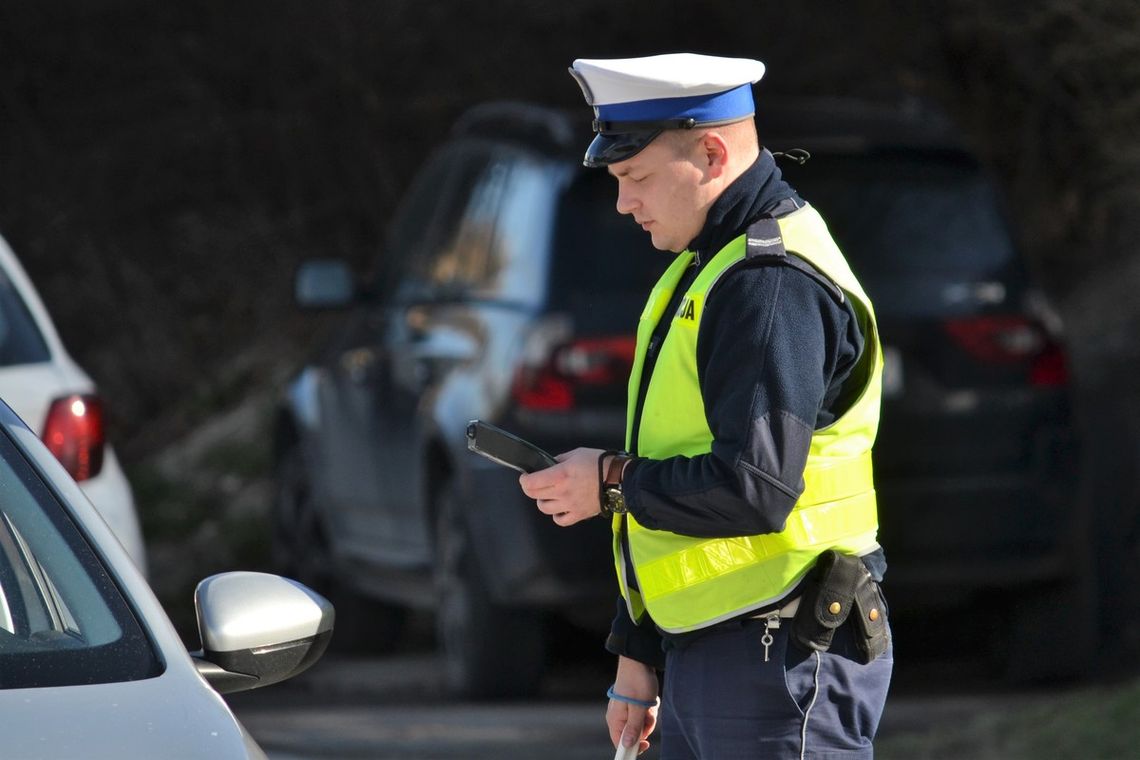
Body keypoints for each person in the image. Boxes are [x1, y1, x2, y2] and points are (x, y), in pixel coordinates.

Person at [518, 53, 893, 758]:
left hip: (780, 655)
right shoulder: (711, 263)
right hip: (725, 653)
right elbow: (678, 465)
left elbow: (753, 490)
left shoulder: (767, 282)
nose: (624, 202)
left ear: (713, 153)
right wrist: (639, 654)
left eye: (635, 177)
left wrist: (608, 481)